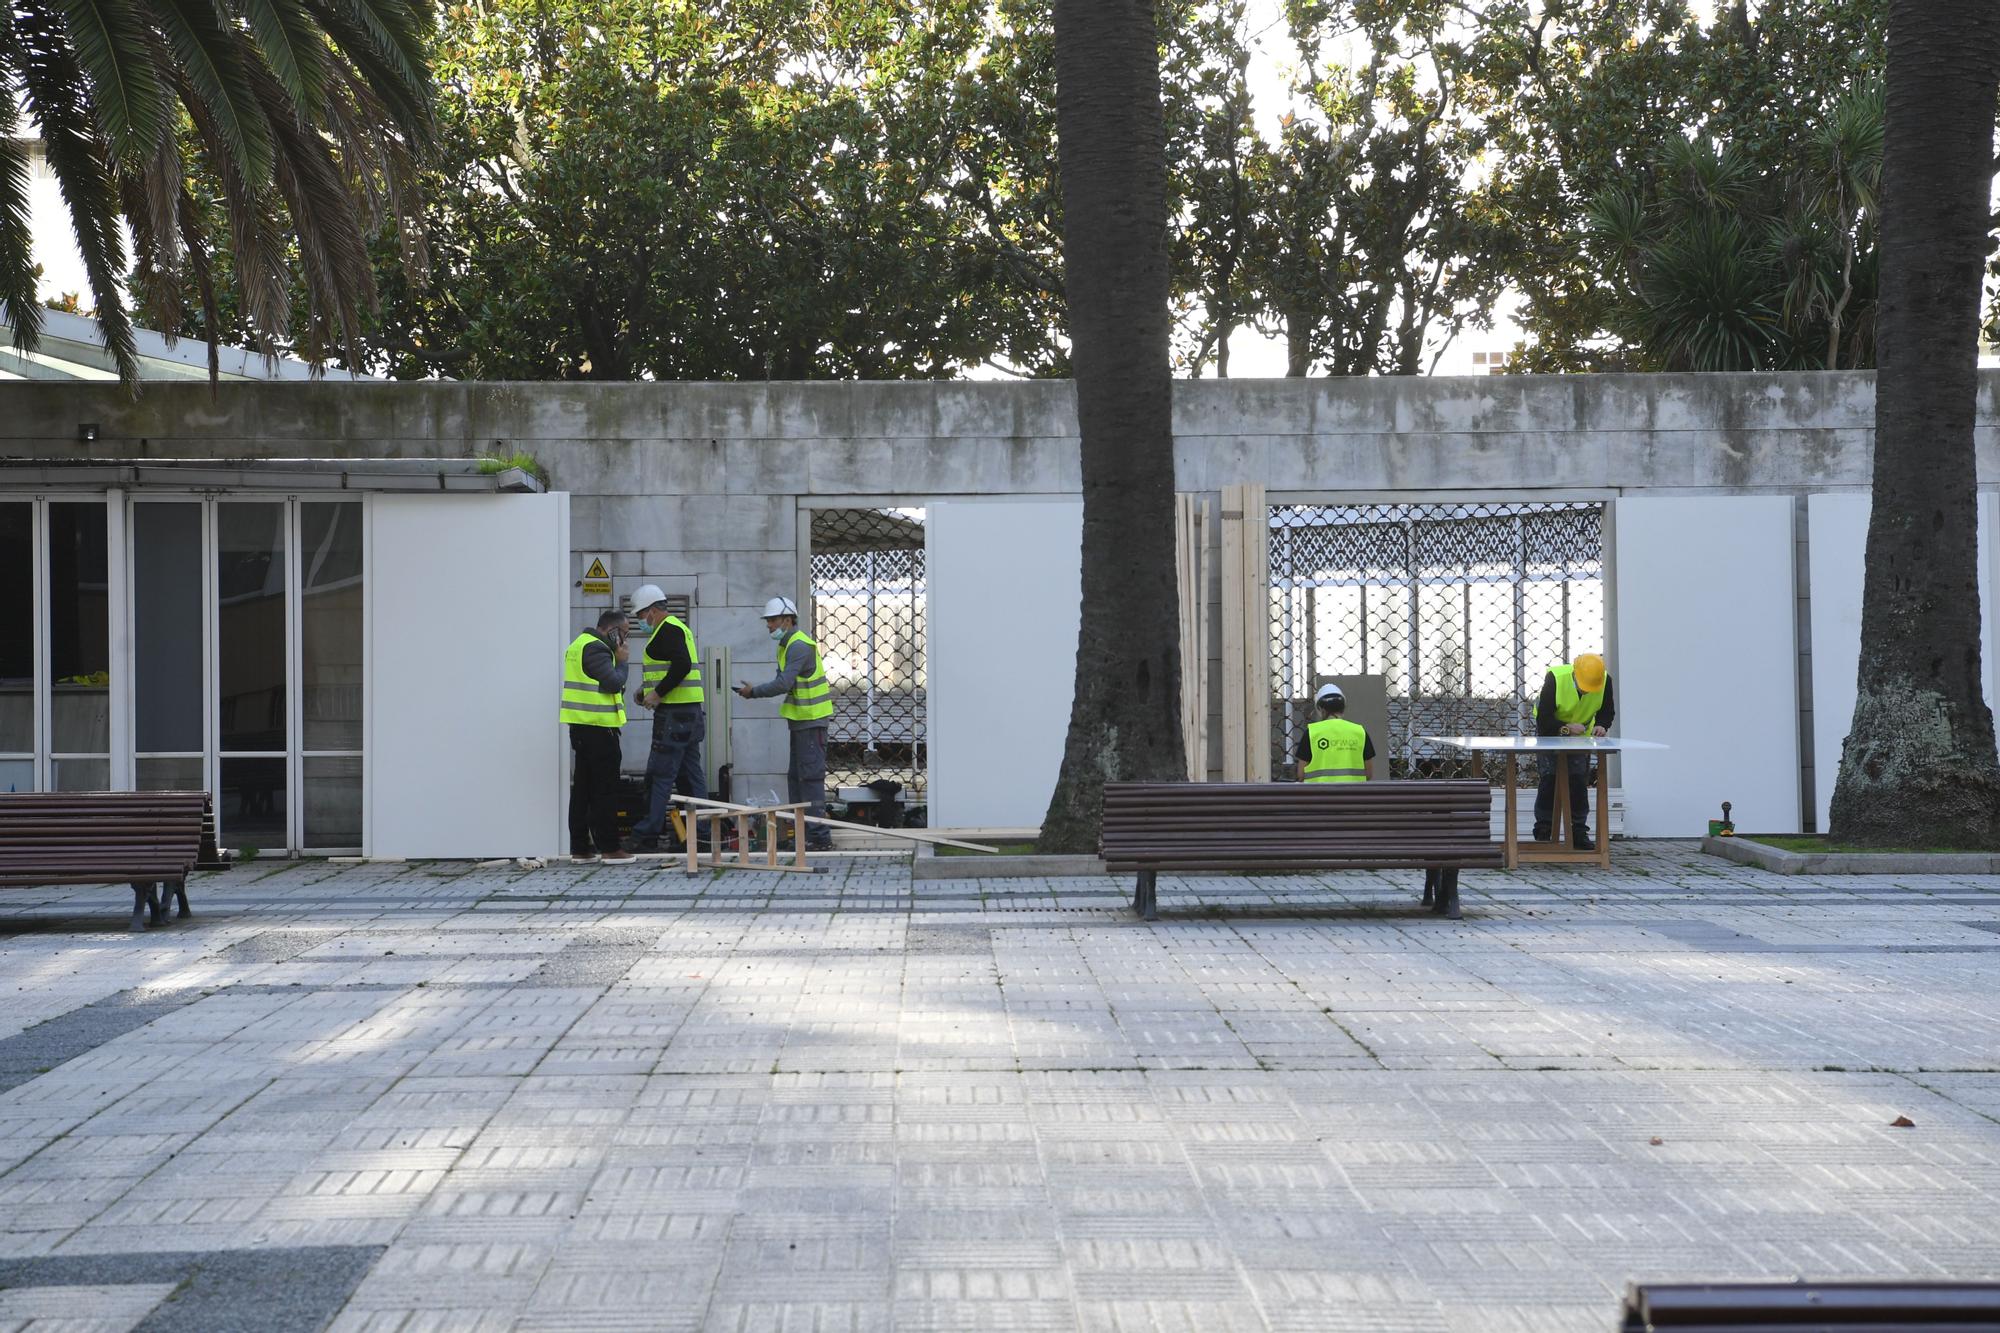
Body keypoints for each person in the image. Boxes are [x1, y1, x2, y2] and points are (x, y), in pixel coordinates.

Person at [735, 596, 835, 851]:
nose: (768, 625)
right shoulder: (786, 645)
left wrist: (753, 692)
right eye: (768, 621)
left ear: (788, 620)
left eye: (772, 620)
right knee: (797, 779)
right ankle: (803, 834)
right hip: (801, 722)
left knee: (810, 779)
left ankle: (819, 837)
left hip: (811, 722)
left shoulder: (799, 646)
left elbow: (782, 684)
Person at [623, 584, 707, 852]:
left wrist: (657, 694)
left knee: (659, 775)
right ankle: (698, 836)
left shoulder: (667, 629)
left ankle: (645, 834)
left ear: (652, 611)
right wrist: (645, 691)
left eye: (640, 615)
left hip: (674, 717)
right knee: (690, 778)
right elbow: (672, 667)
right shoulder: (675, 629)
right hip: (690, 714)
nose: (640, 621)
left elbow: (681, 665)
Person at [562, 610, 634, 862]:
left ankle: (581, 848)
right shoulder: (596, 649)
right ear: (611, 631)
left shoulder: (579, 645)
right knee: (604, 790)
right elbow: (613, 682)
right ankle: (610, 848)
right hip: (598, 730)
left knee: (583, 789)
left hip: (584, 728)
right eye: (624, 634)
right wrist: (623, 661)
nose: (625, 641)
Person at [1534, 651, 1614, 850]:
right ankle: (1544, 828)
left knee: (1578, 780)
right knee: (1550, 778)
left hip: (1581, 738)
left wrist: (1602, 726)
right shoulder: (1556, 678)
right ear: (1574, 675)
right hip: (1551, 734)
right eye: (1583, 688)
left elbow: (1607, 711)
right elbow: (1543, 720)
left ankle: (1578, 831)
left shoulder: (1603, 680)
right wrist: (1566, 728)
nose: (1587, 692)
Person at [1294, 682, 1375, 782]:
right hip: (1353, 795)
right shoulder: (1359, 732)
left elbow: (1301, 774)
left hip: (1319, 795)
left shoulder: (1311, 733)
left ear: (1320, 709)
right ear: (1343, 707)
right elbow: (1369, 773)